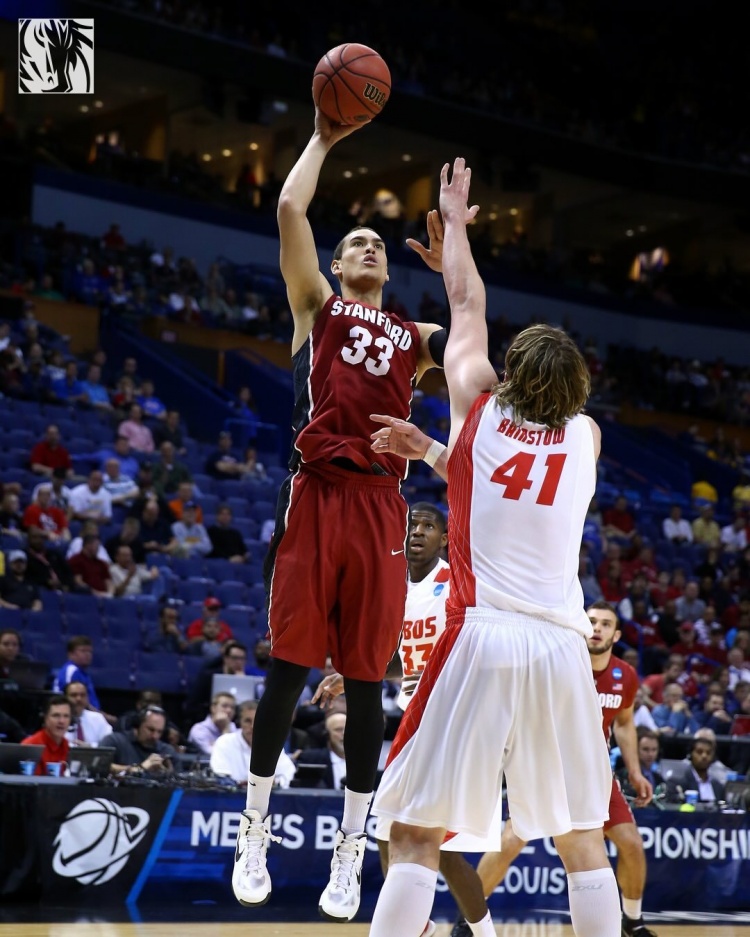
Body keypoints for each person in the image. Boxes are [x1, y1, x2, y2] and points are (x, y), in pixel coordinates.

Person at [367, 159, 620, 937]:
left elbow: (468, 301)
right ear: (574, 388)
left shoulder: (476, 398)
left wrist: (455, 235)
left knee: (413, 830)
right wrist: (441, 457)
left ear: (509, 374)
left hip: (482, 635)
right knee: (582, 837)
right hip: (560, 645)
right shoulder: (587, 436)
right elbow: (517, 495)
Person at [231, 109, 448, 921]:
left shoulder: (413, 334)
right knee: (289, 669)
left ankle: (352, 846)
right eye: (356, 240)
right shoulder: (315, 304)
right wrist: (323, 137)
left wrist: (454, 257)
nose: (369, 248)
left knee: (365, 686)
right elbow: (290, 211)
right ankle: (255, 824)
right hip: (315, 494)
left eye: (379, 246)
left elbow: (478, 361)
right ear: (334, 261)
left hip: (380, 507)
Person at [314, 501, 491, 936]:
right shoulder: (396, 589)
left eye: (428, 526)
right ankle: (428, 926)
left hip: (453, 715)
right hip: (416, 714)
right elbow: (399, 660)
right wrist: (350, 675)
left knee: (408, 832)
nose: (416, 532)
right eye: (412, 525)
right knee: (403, 834)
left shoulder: (456, 583)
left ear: (445, 539)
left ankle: (431, 927)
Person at [458, 601, 655, 937]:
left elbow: (624, 724)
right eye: (591, 621)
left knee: (632, 844)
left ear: (616, 634)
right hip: (547, 766)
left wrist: (634, 771)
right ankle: (470, 921)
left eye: (606, 624)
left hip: (595, 774)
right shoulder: (560, 662)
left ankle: (632, 921)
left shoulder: (626, 676)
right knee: (508, 843)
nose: (597, 628)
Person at [211, 700, 297, 787]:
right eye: (247, 721)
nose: (253, 726)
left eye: (257, 721)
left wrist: (275, 783)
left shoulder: (271, 744)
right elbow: (221, 776)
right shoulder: (224, 742)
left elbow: (287, 774)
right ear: (239, 722)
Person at [100, 704, 176, 776]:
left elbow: (180, 784)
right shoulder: (115, 741)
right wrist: (138, 769)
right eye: (151, 730)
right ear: (138, 724)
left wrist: (168, 774)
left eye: (159, 732)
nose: (155, 736)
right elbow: (98, 765)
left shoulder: (167, 751)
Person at [21, 694, 71, 775]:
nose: (62, 721)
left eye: (66, 716)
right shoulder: (30, 746)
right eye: (56, 715)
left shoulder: (66, 744)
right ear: (45, 718)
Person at [64, 680, 111, 747]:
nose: (79, 699)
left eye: (83, 695)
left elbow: (109, 743)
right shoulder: (58, 719)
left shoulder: (98, 718)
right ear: (65, 698)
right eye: (74, 695)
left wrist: (90, 747)